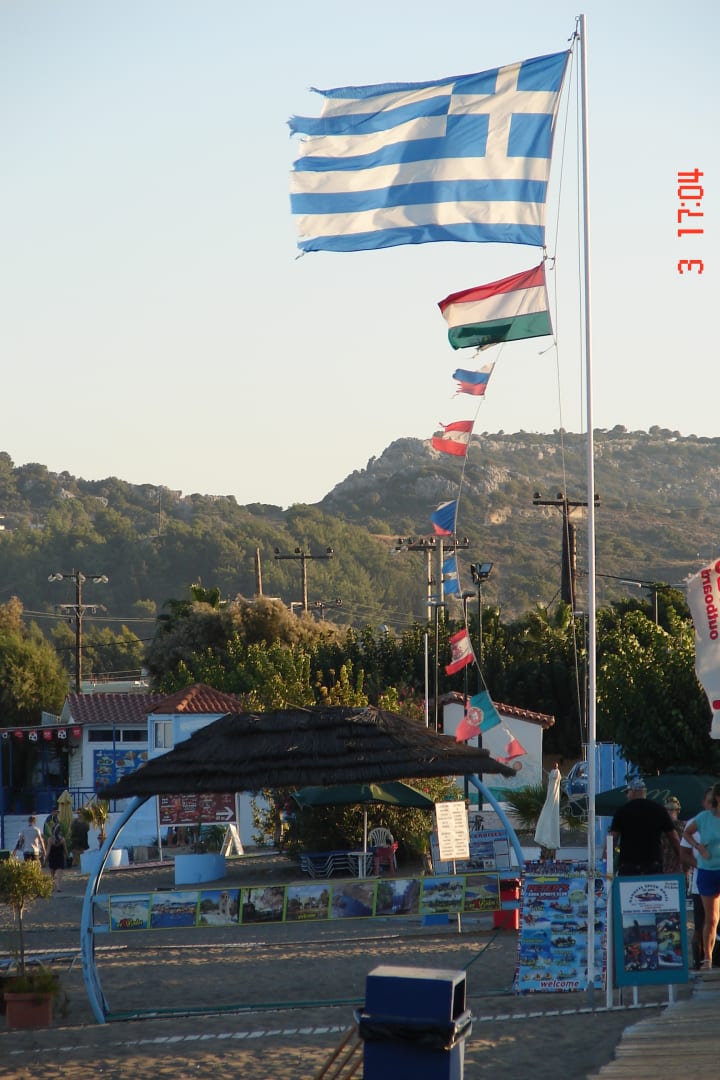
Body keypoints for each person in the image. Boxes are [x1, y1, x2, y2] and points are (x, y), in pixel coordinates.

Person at [682, 781, 720, 969]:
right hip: (707, 871)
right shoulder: (704, 817)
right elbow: (686, 833)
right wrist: (698, 847)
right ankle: (707, 958)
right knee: (711, 919)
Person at [610, 777, 680, 875]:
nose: (627, 795)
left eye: (627, 792)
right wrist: (681, 856)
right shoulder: (659, 809)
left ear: (632, 791)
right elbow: (673, 837)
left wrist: (606, 860)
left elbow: (613, 838)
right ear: (644, 792)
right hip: (652, 864)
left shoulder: (622, 811)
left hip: (628, 865)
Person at [661, 796, 686, 874]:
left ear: (677, 810)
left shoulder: (685, 826)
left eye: (672, 809)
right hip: (664, 864)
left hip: (679, 866)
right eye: (667, 809)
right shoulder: (660, 827)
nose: (670, 812)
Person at [46, 817, 69, 890]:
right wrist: (67, 856)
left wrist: (45, 858)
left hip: (52, 857)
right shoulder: (62, 839)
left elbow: (48, 850)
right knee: (59, 873)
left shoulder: (50, 839)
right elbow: (65, 849)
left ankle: (52, 887)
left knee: (52, 874)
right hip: (60, 857)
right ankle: (58, 886)